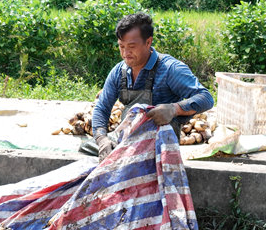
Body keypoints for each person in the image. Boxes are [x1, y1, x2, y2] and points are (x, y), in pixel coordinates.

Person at [91, 12, 214, 159]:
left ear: (148, 42)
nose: (125, 53)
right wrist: (101, 139)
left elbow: (206, 98)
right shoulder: (119, 72)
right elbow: (102, 108)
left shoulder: (170, 69)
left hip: (159, 149)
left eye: (131, 46)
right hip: (127, 143)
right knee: (89, 149)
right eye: (121, 46)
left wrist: (174, 109)